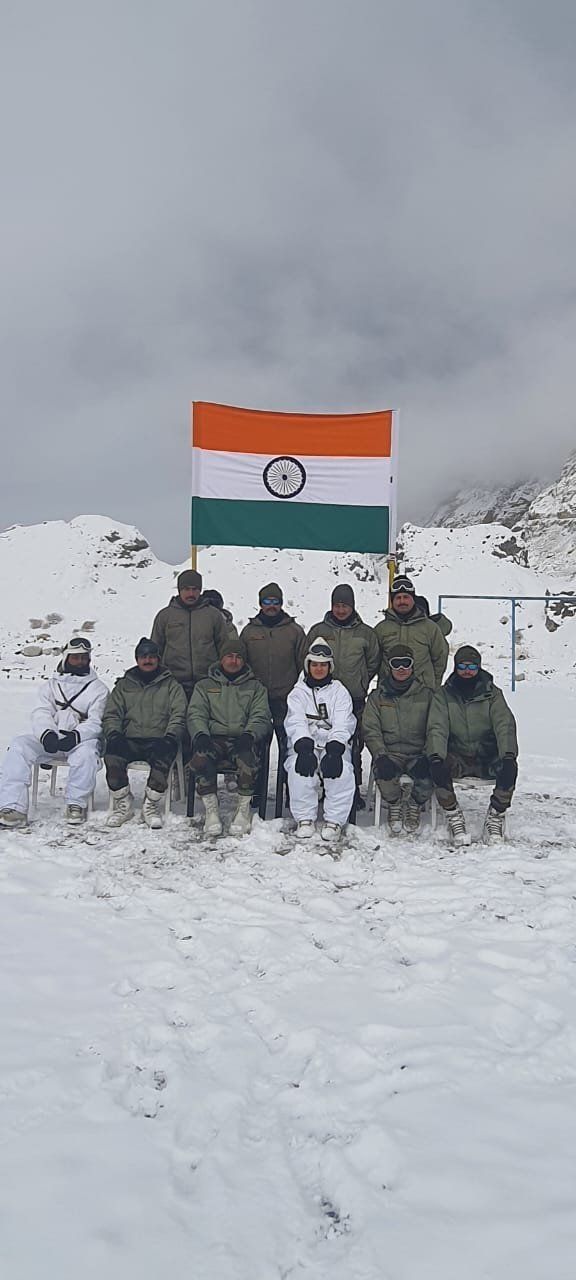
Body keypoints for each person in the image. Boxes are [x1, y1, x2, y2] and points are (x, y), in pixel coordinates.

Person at [0, 636, 108, 827]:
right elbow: (41, 712)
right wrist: (47, 733)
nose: (80, 661)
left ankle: (76, 804)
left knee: (87, 754)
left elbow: (96, 721)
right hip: (51, 739)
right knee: (19, 746)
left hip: (79, 741)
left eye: (84, 657)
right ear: (66, 658)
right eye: (76, 657)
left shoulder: (98, 689)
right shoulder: (50, 685)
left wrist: (77, 736)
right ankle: (14, 806)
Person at [426, 645, 519, 846]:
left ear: (479, 667)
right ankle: (453, 813)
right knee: (436, 766)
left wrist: (508, 754)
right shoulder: (443, 695)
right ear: (455, 667)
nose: (467, 671)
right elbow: (437, 727)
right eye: (462, 666)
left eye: (472, 666)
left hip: (487, 754)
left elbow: (505, 724)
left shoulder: (492, 694)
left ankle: (496, 814)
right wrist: (436, 755)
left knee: (508, 768)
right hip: (457, 753)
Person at [187, 635, 272, 838]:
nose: (233, 661)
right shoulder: (205, 686)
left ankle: (242, 810)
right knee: (201, 758)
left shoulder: (255, 688)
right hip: (213, 737)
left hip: (242, 738)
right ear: (221, 659)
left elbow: (261, 715)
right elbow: (196, 712)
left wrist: (250, 735)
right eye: (229, 656)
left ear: (243, 661)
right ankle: (211, 810)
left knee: (248, 760)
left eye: (238, 657)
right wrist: (200, 734)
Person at [306, 584, 380, 808]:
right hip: (320, 699)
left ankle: (352, 789)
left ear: (352, 607)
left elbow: (373, 661)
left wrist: (361, 681)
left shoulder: (366, 633)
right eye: (337, 605)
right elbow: (307, 657)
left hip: (353, 698)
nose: (340, 610)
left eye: (345, 606)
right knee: (319, 742)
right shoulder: (319, 631)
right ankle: (319, 786)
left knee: (353, 744)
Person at [103, 637, 187, 829]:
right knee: (113, 754)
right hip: (130, 738)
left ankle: (151, 805)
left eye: (151, 657)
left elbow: (179, 714)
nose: (147, 660)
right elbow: (112, 713)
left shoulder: (171, 685)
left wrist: (171, 736)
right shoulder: (124, 685)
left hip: (159, 739)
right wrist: (114, 733)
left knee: (163, 756)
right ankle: (123, 804)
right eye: (143, 657)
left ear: (158, 659)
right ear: (137, 659)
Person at [285, 638, 356, 843]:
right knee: (300, 771)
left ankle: (334, 820)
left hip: (333, 742)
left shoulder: (339, 692)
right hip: (306, 742)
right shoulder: (298, 693)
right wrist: (303, 745)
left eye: (323, 665)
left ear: (329, 667)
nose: (318, 669)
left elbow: (344, 721)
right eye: (314, 664)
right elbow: (295, 720)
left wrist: (335, 747)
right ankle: (304, 818)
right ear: (308, 666)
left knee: (340, 771)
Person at [363, 644, 434, 835]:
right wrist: (380, 753)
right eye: (396, 664)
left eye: (406, 663)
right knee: (384, 773)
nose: (401, 669)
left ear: (412, 666)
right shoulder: (377, 697)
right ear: (390, 667)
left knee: (432, 771)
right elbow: (370, 728)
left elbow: (436, 728)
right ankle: (394, 804)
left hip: (418, 753)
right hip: (390, 752)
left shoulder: (427, 696)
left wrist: (429, 754)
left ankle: (414, 804)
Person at [240, 581, 307, 772]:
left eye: (275, 601)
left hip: (285, 699)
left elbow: (305, 664)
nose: (271, 606)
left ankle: (288, 792)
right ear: (260, 603)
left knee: (289, 747)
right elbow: (241, 664)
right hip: (256, 700)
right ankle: (256, 794)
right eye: (267, 601)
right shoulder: (249, 632)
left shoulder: (294, 631)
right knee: (256, 749)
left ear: (281, 603)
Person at [151, 569, 234, 699]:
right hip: (174, 685)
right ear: (179, 590)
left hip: (208, 683)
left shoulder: (213, 615)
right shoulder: (165, 616)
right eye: (186, 589)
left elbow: (224, 648)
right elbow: (155, 650)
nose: (191, 593)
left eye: (195, 589)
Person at [376, 575, 448, 690]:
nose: (402, 601)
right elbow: (373, 660)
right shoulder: (382, 629)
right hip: (389, 694)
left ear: (413, 599)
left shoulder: (430, 628)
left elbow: (440, 659)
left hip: (423, 694)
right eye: (398, 598)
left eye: (406, 597)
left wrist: (433, 685)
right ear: (392, 601)